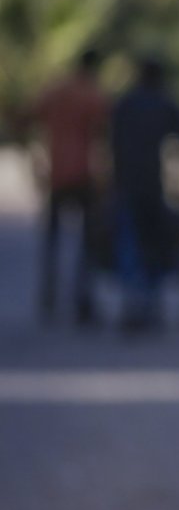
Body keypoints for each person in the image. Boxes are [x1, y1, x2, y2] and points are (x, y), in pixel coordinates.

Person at [23, 48, 111, 326]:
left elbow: (26, 121)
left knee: (53, 240)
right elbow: (104, 136)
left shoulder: (55, 91)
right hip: (84, 174)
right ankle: (82, 298)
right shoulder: (93, 95)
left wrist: (35, 161)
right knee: (87, 240)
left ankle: (49, 297)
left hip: (57, 173)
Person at [109, 56, 179, 332]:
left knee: (132, 245)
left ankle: (135, 303)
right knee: (153, 244)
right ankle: (150, 304)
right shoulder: (165, 105)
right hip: (153, 186)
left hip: (127, 184)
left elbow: (110, 145)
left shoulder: (126, 104)